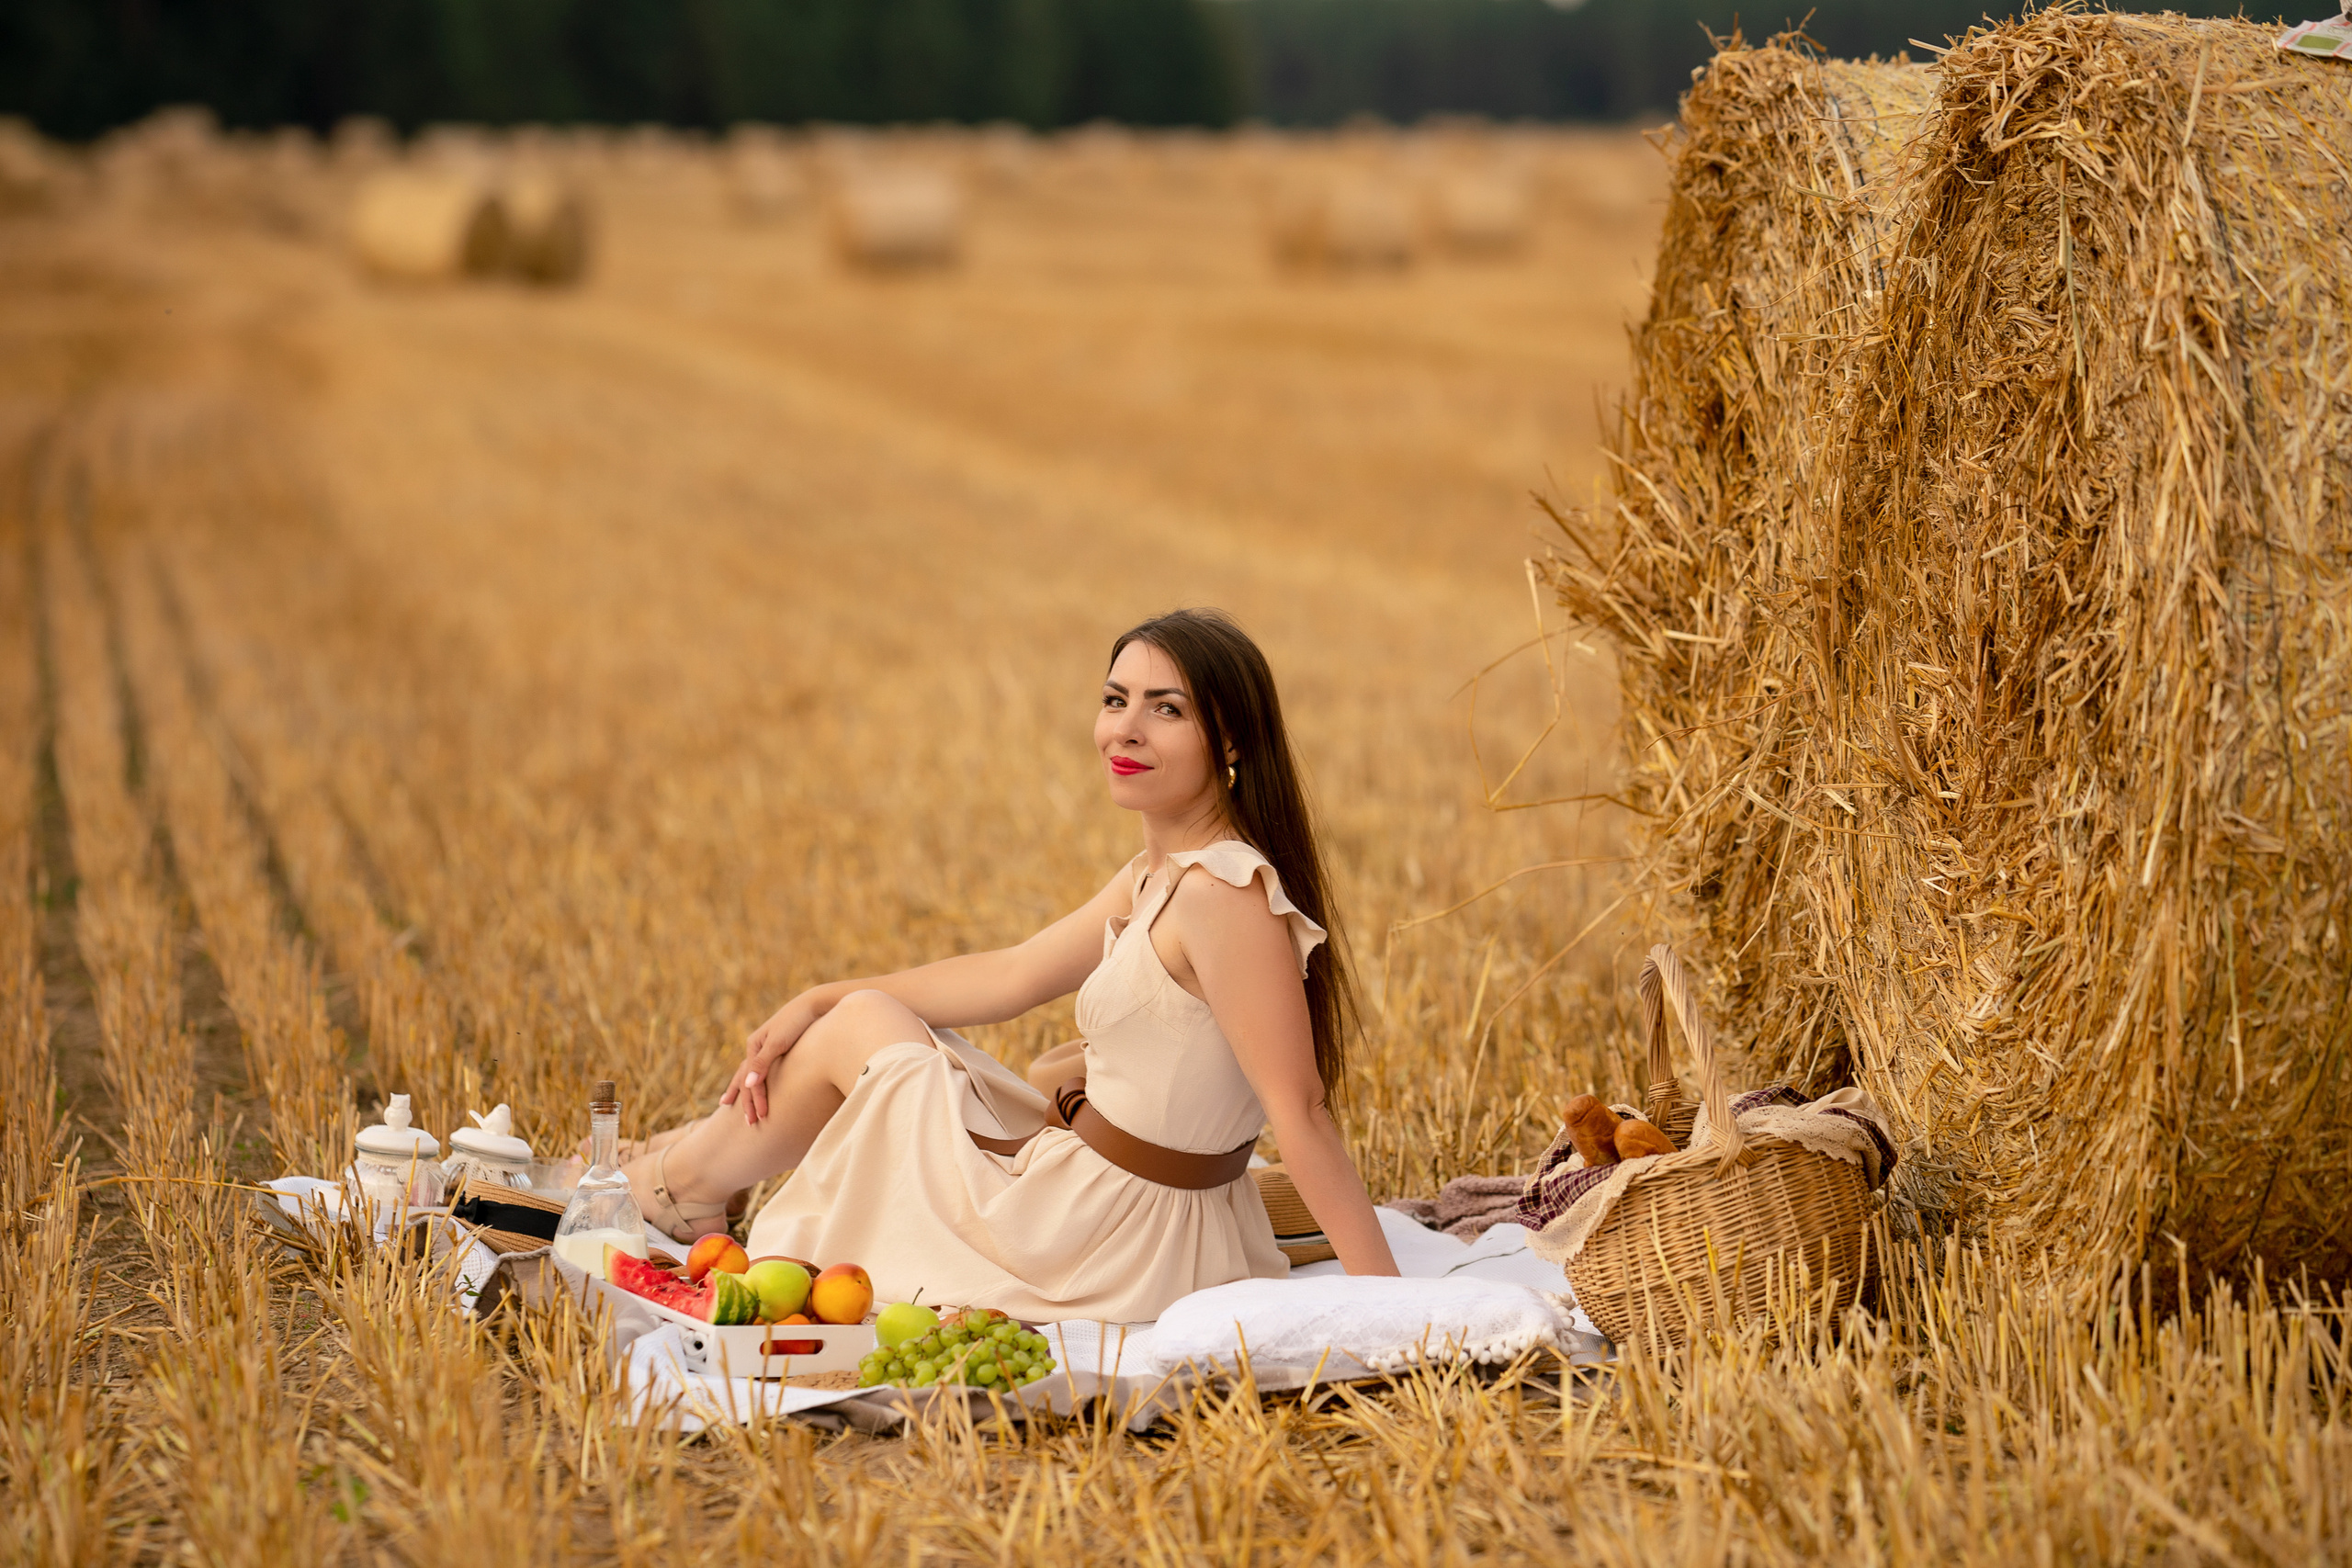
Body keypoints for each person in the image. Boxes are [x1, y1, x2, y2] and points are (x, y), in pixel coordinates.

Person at [616, 607, 1399, 1322]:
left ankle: (678, 1185)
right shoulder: (1164, 874)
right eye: (1115, 698)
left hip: (1105, 1240)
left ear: (1231, 742)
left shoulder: (1221, 894)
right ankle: (684, 1172)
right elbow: (1013, 975)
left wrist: (1397, 1310)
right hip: (1124, 1215)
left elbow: (1301, 1111)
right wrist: (816, 994)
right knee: (868, 1019)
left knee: (865, 1027)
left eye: (1168, 708)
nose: (1124, 730)